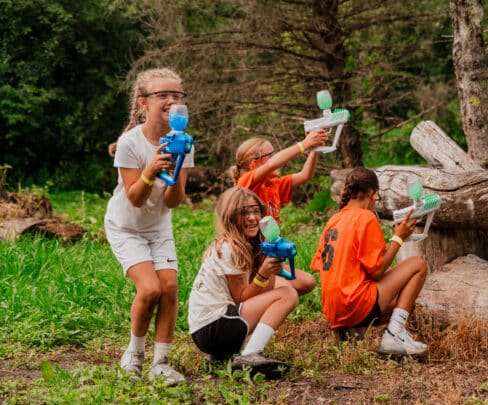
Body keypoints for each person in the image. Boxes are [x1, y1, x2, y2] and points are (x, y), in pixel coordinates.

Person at [104, 67, 194, 385]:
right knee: (150, 289)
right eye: (163, 96)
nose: (171, 100)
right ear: (144, 103)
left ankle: (161, 363)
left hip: (158, 227)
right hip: (126, 226)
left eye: (177, 96)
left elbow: (171, 202)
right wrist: (152, 169)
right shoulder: (131, 143)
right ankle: (134, 355)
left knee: (169, 288)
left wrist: (179, 163)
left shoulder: (183, 143)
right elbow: (135, 198)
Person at [310, 167, 429, 356]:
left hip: (332, 309)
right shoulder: (366, 217)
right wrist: (398, 238)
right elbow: (377, 272)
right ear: (374, 195)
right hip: (354, 304)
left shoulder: (333, 220)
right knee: (418, 265)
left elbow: (322, 265)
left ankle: (352, 332)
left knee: (402, 301)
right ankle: (393, 335)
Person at [188, 187, 299, 374]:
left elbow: (263, 290)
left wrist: (269, 263)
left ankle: (223, 356)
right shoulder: (230, 249)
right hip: (213, 329)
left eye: (256, 211)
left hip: (207, 331)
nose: (252, 217)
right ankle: (250, 354)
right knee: (288, 294)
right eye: (243, 212)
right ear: (229, 217)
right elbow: (241, 297)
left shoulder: (241, 245)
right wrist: (263, 274)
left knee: (283, 290)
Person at [230, 131, 328, 296]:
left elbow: (305, 175)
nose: (277, 158)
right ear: (254, 164)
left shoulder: (274, 184)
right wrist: (303, 145)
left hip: (266, 258)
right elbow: (270, 166)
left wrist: (314, 148)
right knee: (287, 290)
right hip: (249, 262)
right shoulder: (246, 182)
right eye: (271, 155)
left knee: (307, 282)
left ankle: (265, 294)